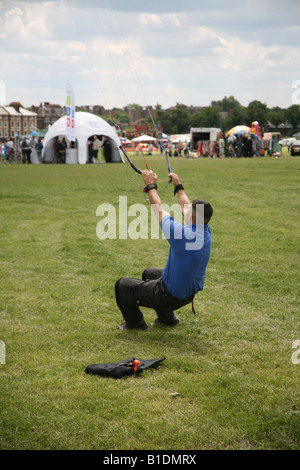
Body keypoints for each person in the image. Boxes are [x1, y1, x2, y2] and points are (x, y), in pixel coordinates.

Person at [115, 169, 213, 330]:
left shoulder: (183, 236)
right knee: (149, 273)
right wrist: (178, 185)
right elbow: (186, 206)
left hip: (171, 296)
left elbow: (159, 209)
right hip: (189, 293)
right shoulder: (205, 230)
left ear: (191, 217)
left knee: (123, 285)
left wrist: (150, 185)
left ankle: (136, 324)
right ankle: (167, 319)